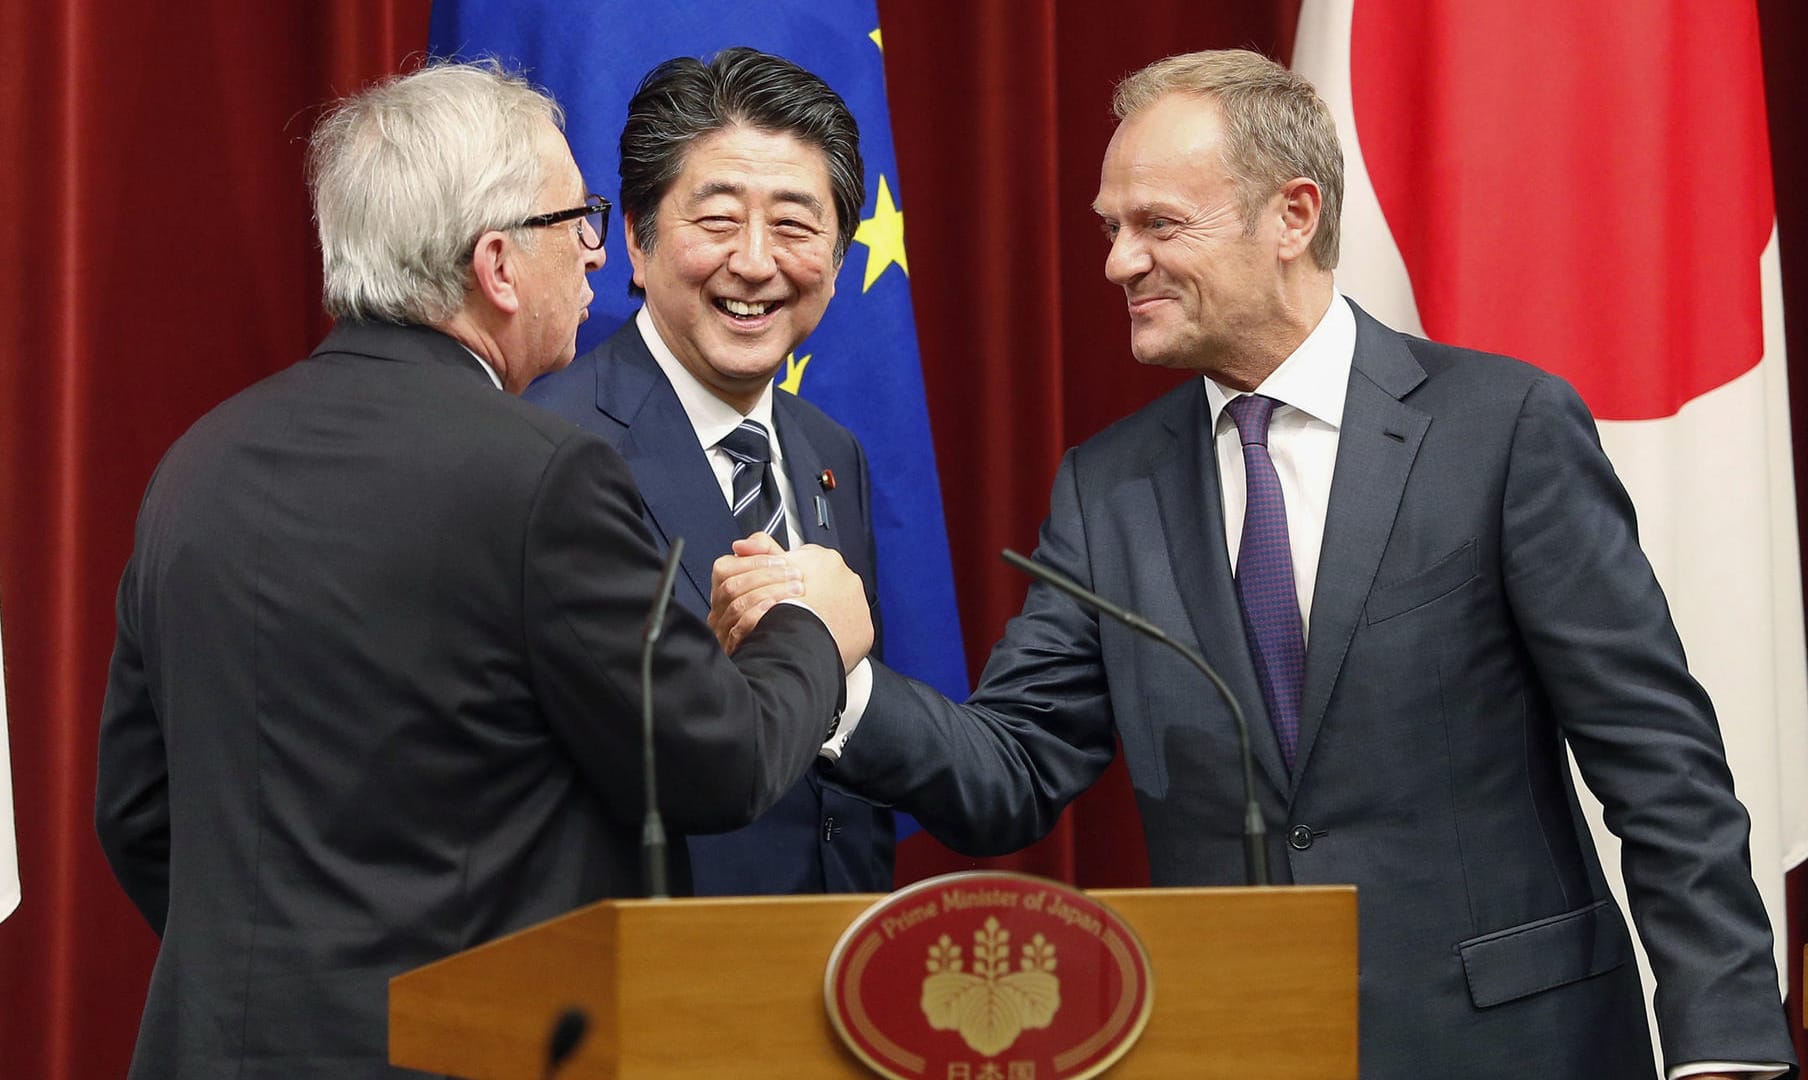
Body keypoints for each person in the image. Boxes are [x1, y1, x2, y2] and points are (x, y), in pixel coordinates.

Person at [713, 49, 1795, 1078]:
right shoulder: (1110, 489)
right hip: (1240, 1044)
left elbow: (1659, 766)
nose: (1117, 261)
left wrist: (1726, 1040)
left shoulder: (1500, 431)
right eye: (1112, 227)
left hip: (1514, 1048)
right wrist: (837, 682)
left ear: (1293, 215)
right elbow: (1014, 770)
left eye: (1158, 224)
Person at [93, 62, 872, 1079]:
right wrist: (813, 630)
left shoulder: (198, 462)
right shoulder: (542, 477)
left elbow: (136, 811)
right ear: (499, 265)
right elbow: (713, 764)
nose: (597, 259)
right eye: (576, 225)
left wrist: (299, 982)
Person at [525, 47, 892, 896]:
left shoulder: (831, 453)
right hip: (649, 969)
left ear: (838, 263)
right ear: (638, 244)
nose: (757, 262)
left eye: (796, 227)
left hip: (833, 963)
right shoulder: (552, 445)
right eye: (718, 221)